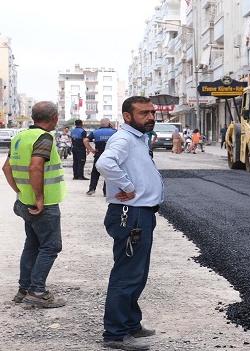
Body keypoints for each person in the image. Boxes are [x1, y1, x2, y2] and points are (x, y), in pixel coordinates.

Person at [96, 96, 163, 351]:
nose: (150, 117)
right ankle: (114, 334)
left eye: (152, 112)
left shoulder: (137, 138)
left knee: (137, 272)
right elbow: (104, 163)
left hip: (140, 213)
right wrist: (127, 186)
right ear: (127, 116)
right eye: (144, 113)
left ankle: (131, 323)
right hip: (130, 213)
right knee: (127, 274)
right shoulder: (124, 138)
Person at [2, 101, 66, 308]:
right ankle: (37, 291)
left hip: (24, 202)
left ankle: (24, 288)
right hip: (43, 205)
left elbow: (6, 168)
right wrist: (39, 198)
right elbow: (36, 166)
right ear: (55, 118)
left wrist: (20, 192)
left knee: (32, 244)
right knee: (50, 246)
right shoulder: (44, 137)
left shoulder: (19, 136)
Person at [83, 118, 117, 196]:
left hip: (99, 154)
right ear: (109, 123)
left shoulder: (95, 132)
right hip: (110, 155)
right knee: (109, 173)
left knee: (95, 172)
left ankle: (92, 189)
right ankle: (106, 191)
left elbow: (85, 140)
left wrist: (91, 150)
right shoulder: (114, 132)